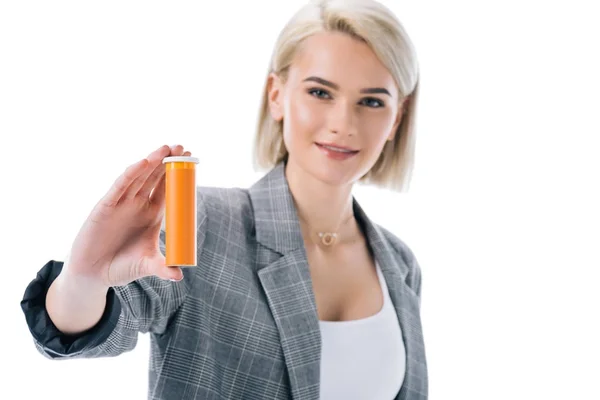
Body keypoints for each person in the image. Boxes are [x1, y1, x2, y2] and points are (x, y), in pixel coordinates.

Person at [20, 0, 427, 398]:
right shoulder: (202, 222)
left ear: (398, 118)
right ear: (276, 95)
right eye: (320, 93)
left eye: (372, 101)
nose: (343, 124)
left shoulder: (399, 263)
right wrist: (83, 279)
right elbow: (95, 325)